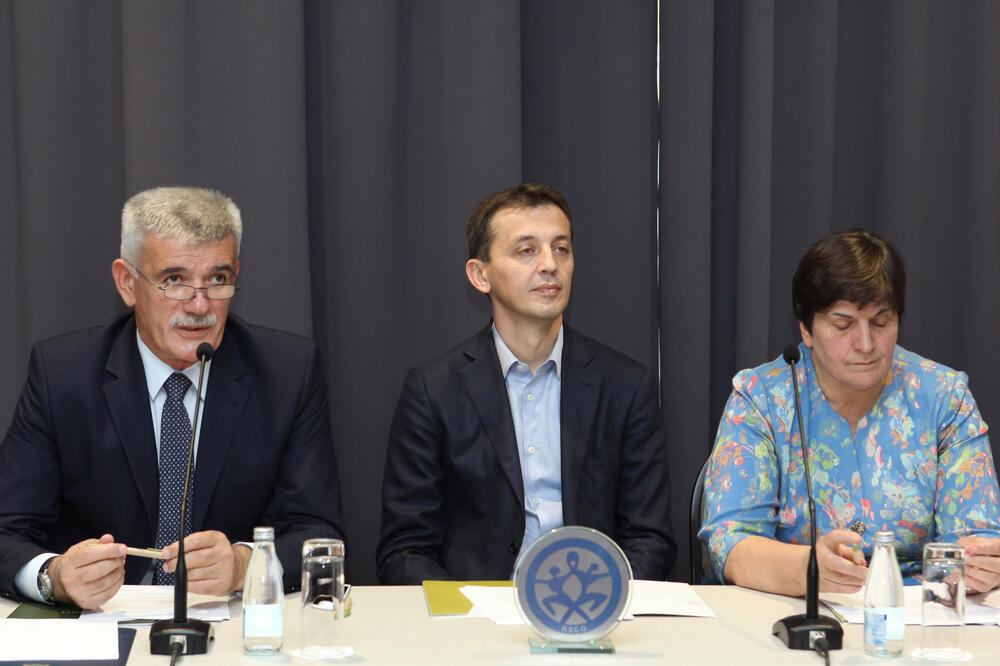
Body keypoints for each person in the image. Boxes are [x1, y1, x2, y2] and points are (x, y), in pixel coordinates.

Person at [0, 187, 345, 609]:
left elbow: (319, 534)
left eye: (218, 280)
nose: (200, 305)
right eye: (174, 280)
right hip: (98, 625)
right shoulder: (62, 374)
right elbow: (6, 531)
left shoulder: (288, 372)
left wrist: (243, 566)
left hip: (231, 628)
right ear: (127, 283)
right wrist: (55, 577)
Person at [376, 183, 674, 584]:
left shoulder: (625, 386)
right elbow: (405, 548)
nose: (550, 264)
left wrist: (594, 604)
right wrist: (466, 619)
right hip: (474, 620)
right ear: (480, 275)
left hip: (593, 609)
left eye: (561, 249)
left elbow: (649, 538)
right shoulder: (433, 390)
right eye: (526, 250)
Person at [700, 229, 1000, 595]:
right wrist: (810, 569)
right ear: (806, 330)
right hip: (793, 609)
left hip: (920, 615)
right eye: (843, 324)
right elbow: (730, 543)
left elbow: (976, 538)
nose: (866, 344)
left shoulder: (943, 397)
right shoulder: (762, 399)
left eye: (881, 322)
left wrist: (980, 565)